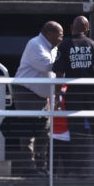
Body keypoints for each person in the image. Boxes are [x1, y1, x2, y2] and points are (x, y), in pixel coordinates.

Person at [51, 16, 94, 179]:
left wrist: (58, 96)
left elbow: (59, 74)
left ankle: (78, 170)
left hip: (73, 95)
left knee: (77, 132)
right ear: (87, 30)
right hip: (92, 94)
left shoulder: (64, 46)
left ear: (72, 27)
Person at [9, 21, 63, 177]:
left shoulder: (53, 48)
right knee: (28, 130)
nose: (61, 38)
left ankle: (41, 166)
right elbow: (46, 66)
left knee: (43, 132)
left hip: (42, 96)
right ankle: (29, 168)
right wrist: (65, 60)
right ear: (49, 34)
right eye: (60, 35)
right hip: (26, 92)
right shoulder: (35, 44)